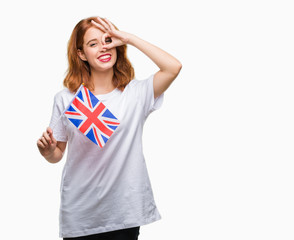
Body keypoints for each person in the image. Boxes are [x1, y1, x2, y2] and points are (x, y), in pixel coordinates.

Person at [37, 16, 182, 240]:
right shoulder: (68, 99)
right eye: (93, 43)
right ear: (81, 54)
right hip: (80, 214)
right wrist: (48, 152)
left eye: (108, 40)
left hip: (123, 212)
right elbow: (57, 154)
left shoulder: (136, 94)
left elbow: (173, 67)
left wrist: (129, 38)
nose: (104, 47)